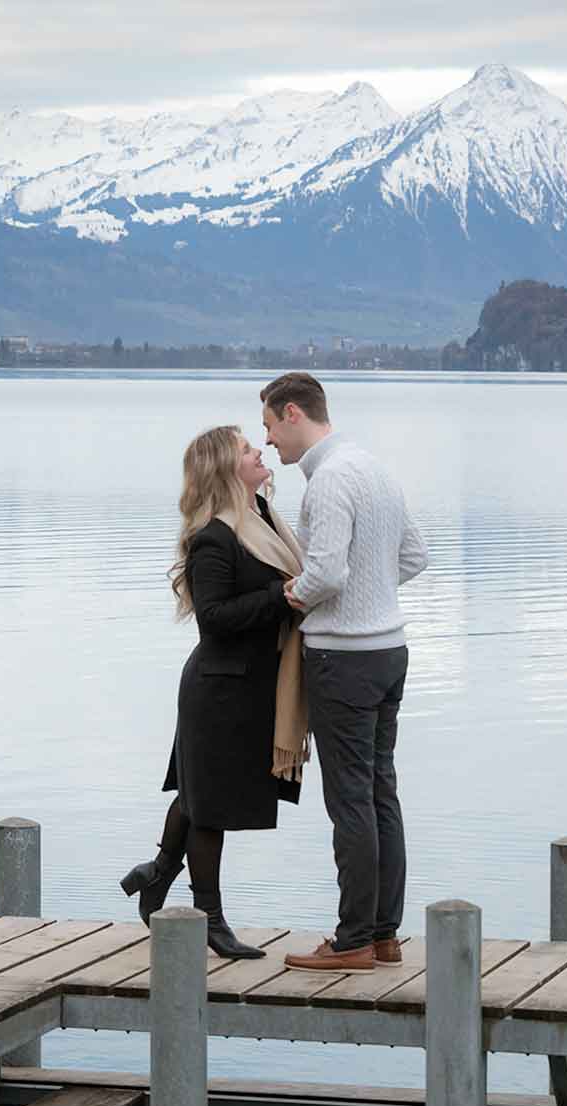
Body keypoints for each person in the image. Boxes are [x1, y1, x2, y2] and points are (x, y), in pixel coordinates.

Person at [121, 425, 311, 959]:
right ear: (228, 469)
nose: (260, 452)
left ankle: (157, 874)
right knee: (209, 806)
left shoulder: (263, 520)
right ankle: (209, 918)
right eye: (249, 450)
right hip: (219, 690)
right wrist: (283, 597)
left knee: (200, 792)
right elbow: (214, 619)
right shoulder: (216, 537)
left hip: (251, 688)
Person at [260, 373, 429, 972]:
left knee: (350, 799)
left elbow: (326, 574)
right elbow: (415, 556)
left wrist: (291, 594)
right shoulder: (374, 468)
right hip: (390, 651)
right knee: (382, 788)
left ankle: (353, 939)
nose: (270, 442)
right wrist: (374, 594)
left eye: (270, 428)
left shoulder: (329, 480)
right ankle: (384, 934)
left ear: (292, 413)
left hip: (343, 658)